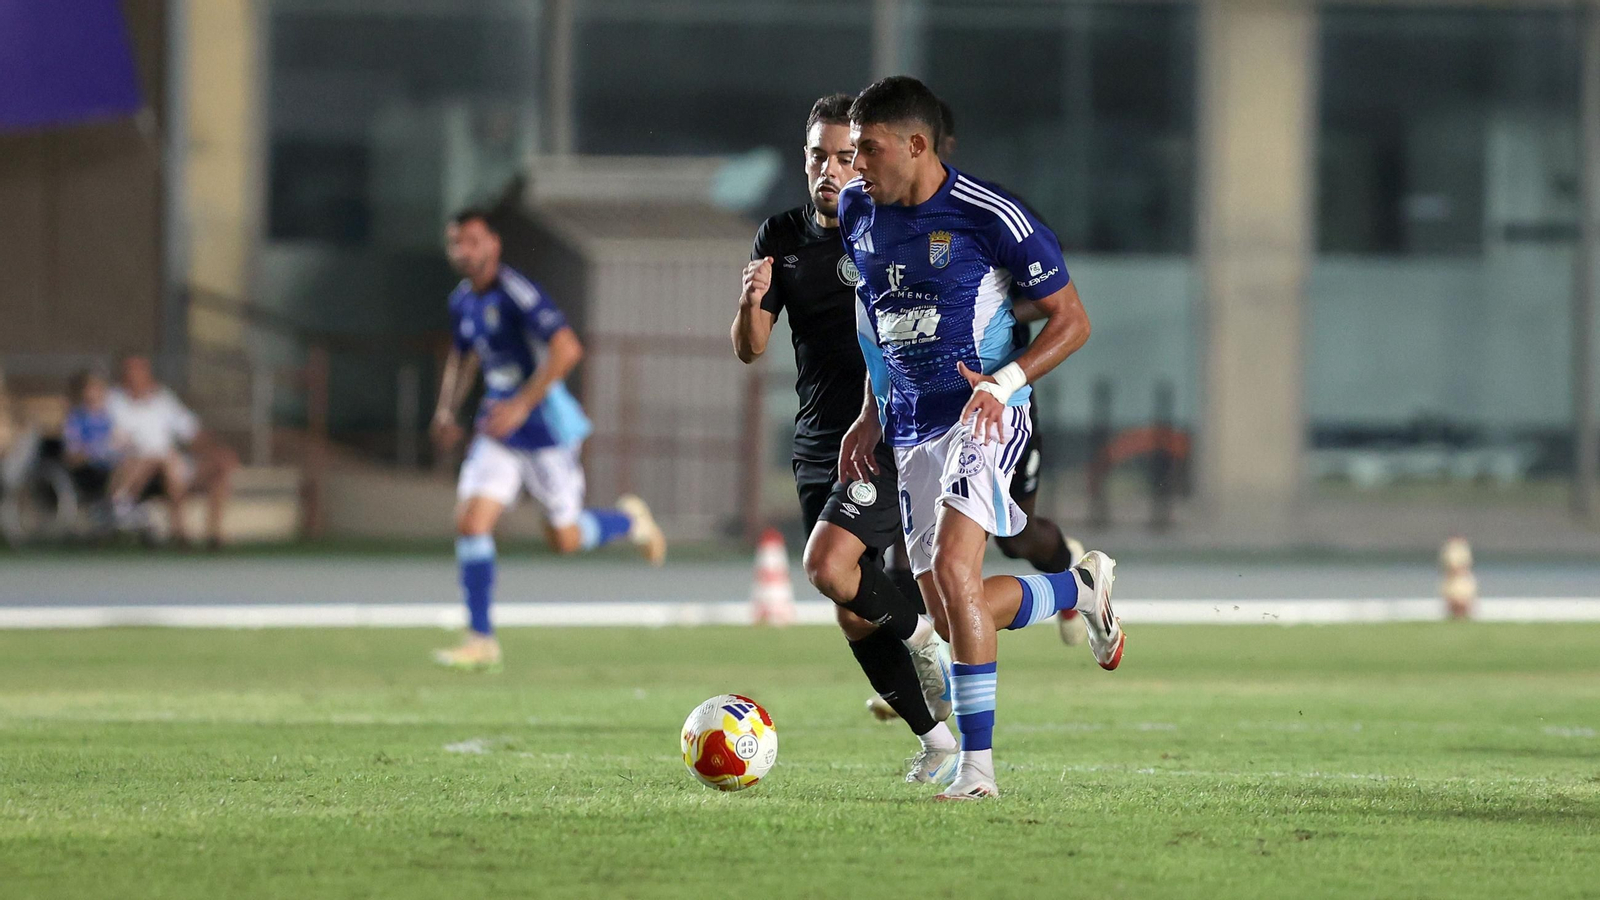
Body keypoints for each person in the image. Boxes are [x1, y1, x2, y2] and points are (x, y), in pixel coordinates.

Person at [837, 76, 1126, 800]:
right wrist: (872, 410)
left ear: (916, 145)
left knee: (961, 577)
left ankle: (978, 772)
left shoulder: (989, 213)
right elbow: (873, 320)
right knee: (946, 607)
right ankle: (1078, 588)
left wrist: (1002, 384)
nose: (854, 163)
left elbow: (1073, 320)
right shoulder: (855, 212)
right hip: (908, 424)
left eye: (866, 149)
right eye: (850, 150)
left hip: (983, 415)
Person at [732, 94, 957, 785]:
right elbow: (751, 349)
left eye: (842, 155)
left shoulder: (890, 231)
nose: (828, 169)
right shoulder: (781, 235)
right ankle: (938, 741)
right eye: (816, 157)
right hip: (814, 441)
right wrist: (749, 301)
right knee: (852, 612)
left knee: (829, 567)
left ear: (863, 158)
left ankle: (925, 640)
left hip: (882, 434)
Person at [430, 208, 667, 672]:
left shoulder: (515, 292)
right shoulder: (463, 301)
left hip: (543, 432)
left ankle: (629, 522)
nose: (465, 251)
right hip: (497, 430)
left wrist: (521, 403)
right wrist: (446, 408)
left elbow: (567, 347)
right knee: (472, 522)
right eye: (457, 242)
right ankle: (480, 639)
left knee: (565, 538)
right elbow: (462, 358)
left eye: (473, 241)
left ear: (493, 245)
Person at [107, 355, 238, 548]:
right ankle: (180, 534)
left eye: (139, 369)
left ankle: (214, 536)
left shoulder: (163, 399)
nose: (134, 375)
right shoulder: (112, 401)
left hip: (172, 462)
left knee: (220, 465)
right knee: (165, 461)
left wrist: (214, 451)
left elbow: (191, 432)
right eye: (130, 370)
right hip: (134, 467)